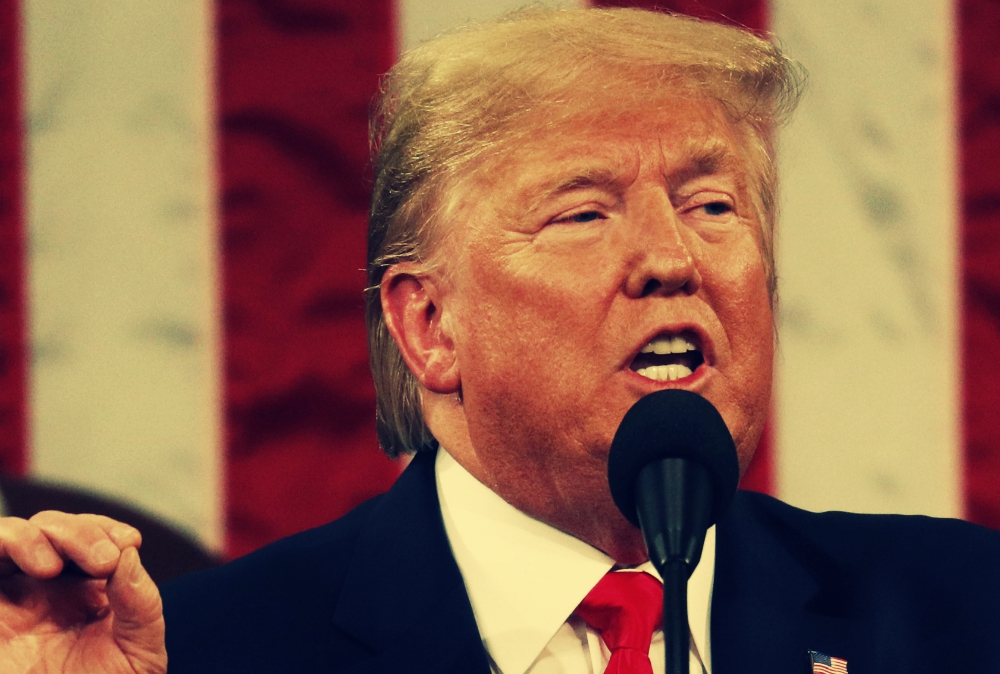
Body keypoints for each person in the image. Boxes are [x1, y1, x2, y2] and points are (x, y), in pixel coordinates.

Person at [1, 8, 998, 674]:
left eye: (708, 202)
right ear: (431, 326)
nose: (670, 256)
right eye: (582, 212)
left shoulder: (961, 611)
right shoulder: (205, 650)